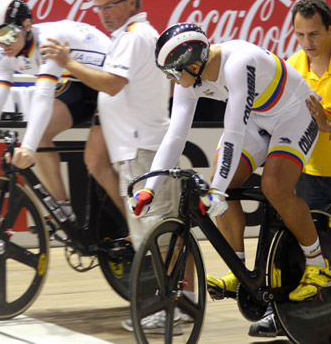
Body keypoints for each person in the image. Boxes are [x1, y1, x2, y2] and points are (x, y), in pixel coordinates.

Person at [132, 22, 331, 307]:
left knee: (274, 185)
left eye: (172, 72)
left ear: (192, 64)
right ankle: (238, 269)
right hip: (260, 117)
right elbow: (175, 135)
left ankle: (317, 263)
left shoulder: (238, 63)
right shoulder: (191, 78)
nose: (170, 81)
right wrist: (150, 188)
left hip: (294, 112)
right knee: (222, 176)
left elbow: (234, 132)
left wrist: (218, 192)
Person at [40, 0, 185, 334]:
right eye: (99, 7)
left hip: (142, 150)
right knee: (160, 235)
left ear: (132, 2)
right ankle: (182, 305)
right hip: (140, 146)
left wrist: (67, 62)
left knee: (155, 236)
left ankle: (171, 311)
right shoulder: (131, 37)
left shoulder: (135, 39)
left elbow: (111, 84)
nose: (104, 13)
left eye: (111, 5)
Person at [0, 0, 122, 220]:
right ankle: (63, 212)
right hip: (78, 82)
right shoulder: (3, 52)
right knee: (41, 136)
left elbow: (43, 95)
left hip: (107, 83)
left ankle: (135, 231)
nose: (2, 43)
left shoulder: (48, 41)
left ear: (27, 25)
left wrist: (27, 147)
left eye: (6, 34)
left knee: (96, 163)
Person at [249, 0, 331, 338]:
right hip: (310, 173)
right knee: (294, 245)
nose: (306, 43)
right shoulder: (291, 65)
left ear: (330, 28)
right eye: (299, 35)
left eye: (313, 34)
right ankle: (278, 313)